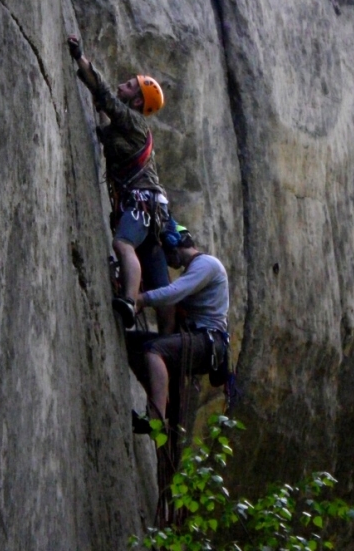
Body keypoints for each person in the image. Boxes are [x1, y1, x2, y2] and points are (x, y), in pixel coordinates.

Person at [67, 35, 175, 332]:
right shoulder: (126, 129)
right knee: (159, 282)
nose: (121, 86)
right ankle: (167, 342)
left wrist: (80, 57)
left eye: (128, 86)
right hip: (152, 208)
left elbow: (105, 96)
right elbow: (105, 130)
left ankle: (128, 301)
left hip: (142, 201)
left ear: (137, 100)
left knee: (122, 243)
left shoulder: (134, 121)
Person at [131, 227, 230, 422]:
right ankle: (158, 400)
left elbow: (173, 293)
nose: (168, 262)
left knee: (154, 350)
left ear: (174, 245)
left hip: (206, 340)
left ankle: (156, 420)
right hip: (202, 341)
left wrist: (140, 299)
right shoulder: (196, 269)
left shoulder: (207, 264)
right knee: (133, 344)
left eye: (167, 255)